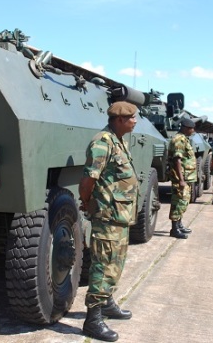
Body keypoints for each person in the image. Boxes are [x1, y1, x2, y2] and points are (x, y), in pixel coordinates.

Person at [79, 101, 139, 342]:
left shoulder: (119, 140)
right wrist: (88, 203)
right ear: (119, 120)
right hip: (107, 216)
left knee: (116, 263)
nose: (135, 121)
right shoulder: (103, 142)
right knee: (103, 266)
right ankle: (92, 319)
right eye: (132, 118)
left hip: (120, 217)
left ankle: (107, 303)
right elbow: (88, 181)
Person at [167, 118, 197, 239]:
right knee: (178, 202)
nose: (193, 131)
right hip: (181, 177)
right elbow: (177, 160)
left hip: (187, 177)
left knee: (183, 202)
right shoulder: (178, 140)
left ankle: (179, 225)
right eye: (191, 128)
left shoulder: (184, 139)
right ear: (185, 127)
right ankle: (174, 229)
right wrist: (181, 179)